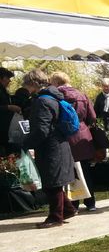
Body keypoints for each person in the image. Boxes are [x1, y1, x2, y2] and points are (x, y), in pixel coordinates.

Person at [21, 69, 76, 228]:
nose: (27, 89)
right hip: (59, 144)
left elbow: (42, 129)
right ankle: (67, 209)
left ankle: (55, 217)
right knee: (54, 181)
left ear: (33, 83)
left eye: (28, 85)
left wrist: (27, 143)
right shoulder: (53, 97)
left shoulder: (42, 101)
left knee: (52, 183)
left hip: (51, 147)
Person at [50, 71, 98, 212]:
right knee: (85, 171)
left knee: (70, 172)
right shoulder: (82, 95)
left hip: (65, 136)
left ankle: (74, 205)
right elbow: (93, 116)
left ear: (56, 83)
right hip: (82, 134)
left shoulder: (56, 97)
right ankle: (91, 203)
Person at [0, 67, 22, 156]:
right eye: (8, 78)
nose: (9, 81)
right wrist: (8, 107)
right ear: (2, 78)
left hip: (5, 131)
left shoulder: (3, 90)